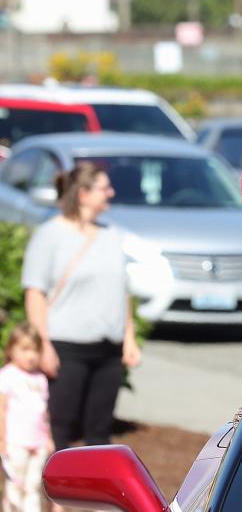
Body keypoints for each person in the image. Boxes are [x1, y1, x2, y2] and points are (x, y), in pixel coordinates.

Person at [21, 162, 141, 451]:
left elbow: (120, 290)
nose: (111, 193)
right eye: (104, 188)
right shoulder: (50, 235)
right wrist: (44, 345)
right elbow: (35, 293)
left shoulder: (111, 235)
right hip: (67, 348)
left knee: (99, 434)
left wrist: (129, 336)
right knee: (62, 429)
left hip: (108, 350)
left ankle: (93, 496)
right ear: (83, 194)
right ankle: (57, 496)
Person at [0, 323, 54, 512]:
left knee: (33, 486)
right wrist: (2, 441)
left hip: (38, 443)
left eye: (35, 350)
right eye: (25, 349)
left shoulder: (40, 378)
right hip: (15, 442)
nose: (31, 356)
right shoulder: (7, 376)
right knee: (15, 486)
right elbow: (2, 410)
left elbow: (43, 411)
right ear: (11, 349)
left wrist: (48, 438)